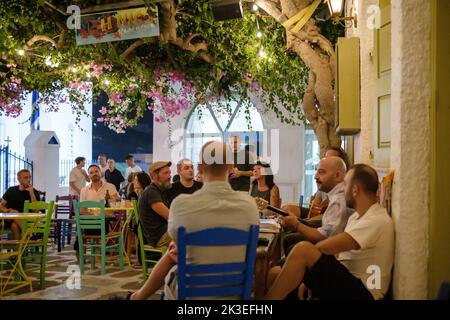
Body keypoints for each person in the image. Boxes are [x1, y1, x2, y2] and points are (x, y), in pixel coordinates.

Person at [129, 141, 259, 300]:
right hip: (234, 293)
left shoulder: (181, 205)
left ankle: (138, 296)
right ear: (231, 168)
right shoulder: (250, 205)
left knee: (173, 258)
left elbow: (175, 246)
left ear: (199, 168)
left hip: (192, 293)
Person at [265, 164, 394, 300]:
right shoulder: (357, 216)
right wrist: (310, 276)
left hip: (365, 292)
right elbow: (339, 254)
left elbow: (327, 247)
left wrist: (309, 271)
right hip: (347, 278)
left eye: (345, 184)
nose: (343, 189)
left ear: (355, 190)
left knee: (303, 250)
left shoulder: (376, 220)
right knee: (279, 273)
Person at [138, 161, 172, 248]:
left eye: (169, 173)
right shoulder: (151, 192)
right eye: (166, 173)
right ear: (154, 176)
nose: (169, 176)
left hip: (165, 233)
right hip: (160, 238)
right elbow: (170, 217)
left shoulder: (160, 190)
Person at [0, 169, 41, 240]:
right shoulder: (11, 190)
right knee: (14, 214)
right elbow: (1, 205)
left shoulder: (34, 192)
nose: (28, 180)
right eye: (26, 177)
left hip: (27, 220)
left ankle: (18, 250)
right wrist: (8, 211)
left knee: (14, 226)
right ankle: (30, 235)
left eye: (29, 177)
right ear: (18, 179)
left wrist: (31, 193)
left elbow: (36, 210)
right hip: (9, 219)